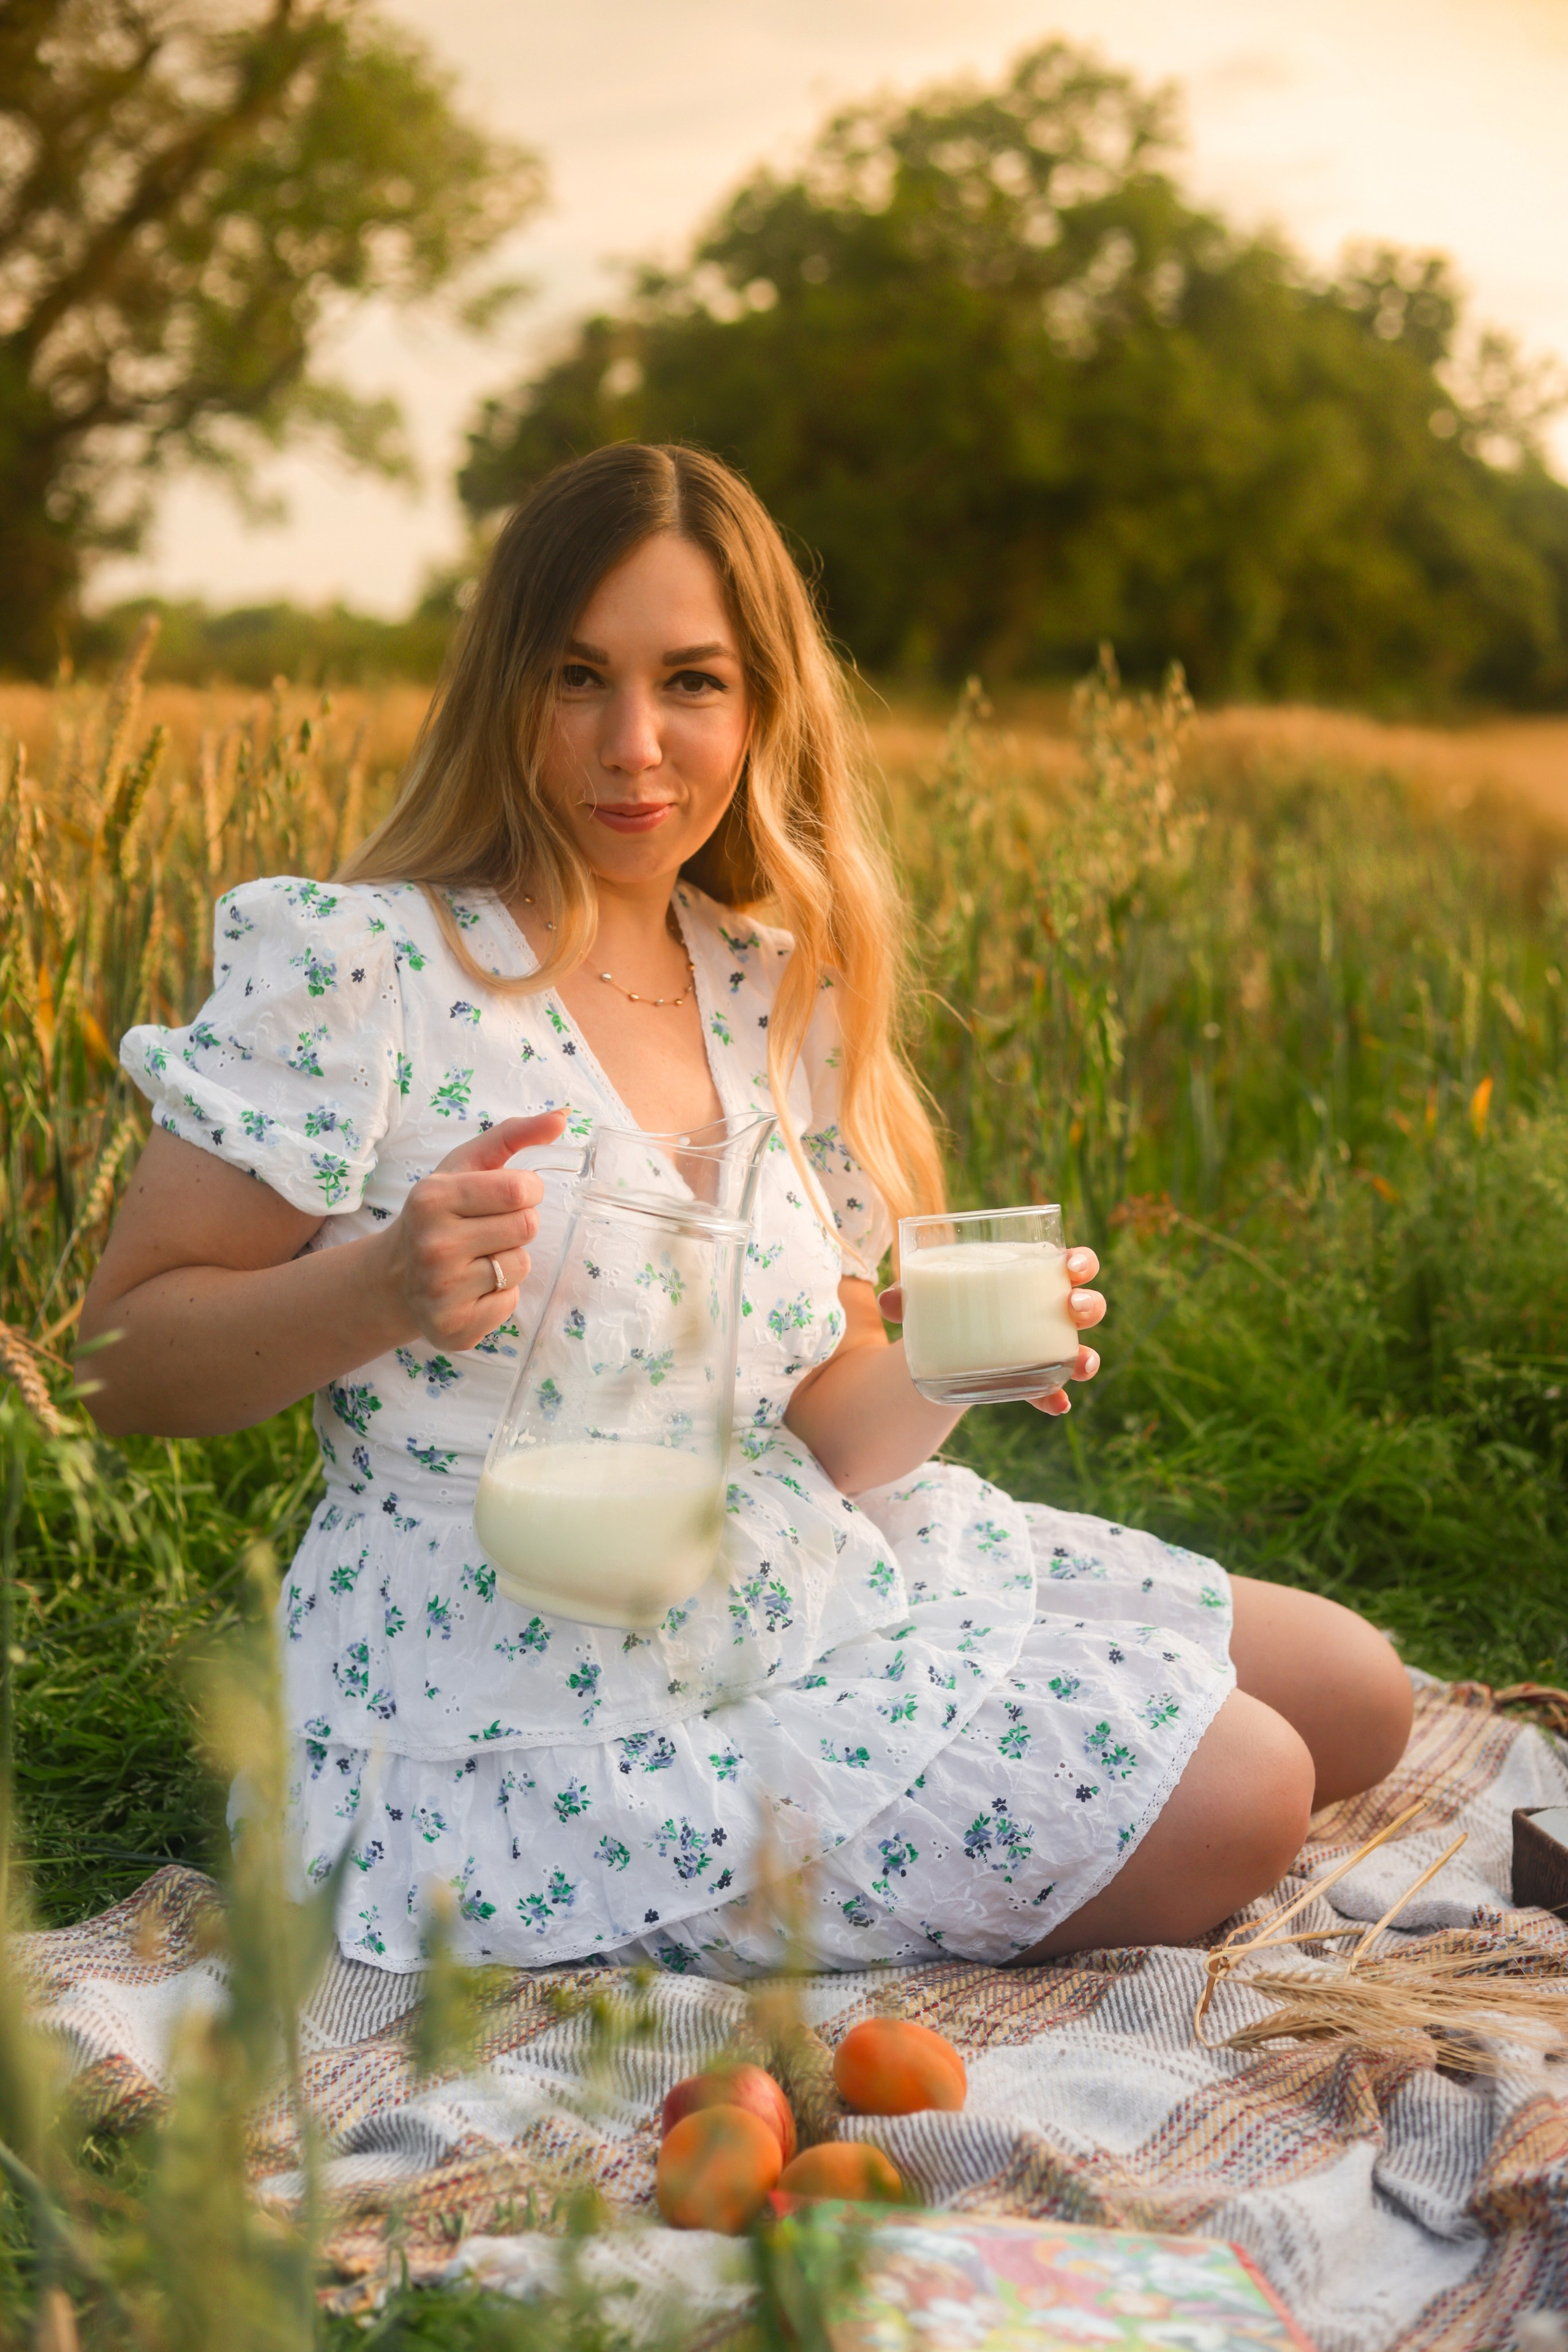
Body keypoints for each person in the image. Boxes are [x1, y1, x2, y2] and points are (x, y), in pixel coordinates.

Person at [78, 443, 1412, 1978]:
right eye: (577, 677)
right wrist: (377, 1288)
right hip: (513, 1686)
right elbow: (119, 1366)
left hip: (788, 1567)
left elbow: (827, 1436)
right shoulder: (353, 966)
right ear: (501, 689)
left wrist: (947, 1367)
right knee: (1246, 1793)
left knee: (1354, 1691)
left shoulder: (776, 982)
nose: (631, 745)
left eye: (691, 682)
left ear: (763, 703)